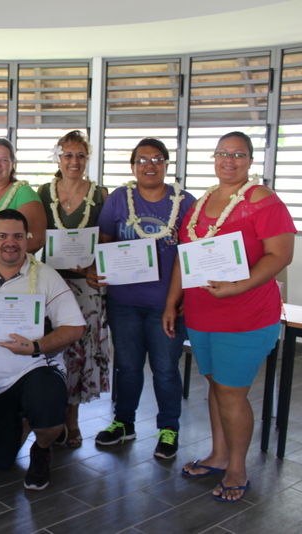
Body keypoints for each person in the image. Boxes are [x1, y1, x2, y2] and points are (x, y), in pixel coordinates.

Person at [163, 131, 295, 502]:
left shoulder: (263, 200)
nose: (229, 160)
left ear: (250, 161)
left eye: (238, 154)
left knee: (232, 392)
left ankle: (237, 468)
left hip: (246, 316)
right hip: (203, 314)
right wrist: (172, 302)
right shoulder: (202, 202)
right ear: (214, 157)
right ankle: (219, 456)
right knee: (216, 386)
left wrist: (238, 286)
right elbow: (186, 258)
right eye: (223, 153)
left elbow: (281, 255)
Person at [0, 209, 85, 490]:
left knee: (49, 418)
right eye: (2, 236)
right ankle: (24, 420)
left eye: (17, 236)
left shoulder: (46, 276)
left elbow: (75, 327)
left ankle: (41, 449)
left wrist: (36, 346)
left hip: (35, 369)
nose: (10, 242)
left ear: (27, 239)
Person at [90, 138, 195, 460]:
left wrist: (176, 301)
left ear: (166, 164)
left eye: (157, 159)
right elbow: (104, 243)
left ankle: (169, 428)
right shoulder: (119, 199)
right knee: (127, 366)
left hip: (167, 304)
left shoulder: (184, 202)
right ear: (133, 166)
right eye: (143, 160)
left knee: (165, 369)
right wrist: (96, 269)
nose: (150, 165)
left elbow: (191, 254)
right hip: (124, 301)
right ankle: (124, 423)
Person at [37, 130, 109, 448]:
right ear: (58, 158)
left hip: (86, 286)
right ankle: (48, 417)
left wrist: (96, 267)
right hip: (51, 284)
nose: (74, 161)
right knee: (53, 350)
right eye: (68, 155)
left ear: (87, 158)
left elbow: (106, 240)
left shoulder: (101, 194)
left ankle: (72, 419)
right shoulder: (43, 192)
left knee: (80, 352)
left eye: (80, 155)